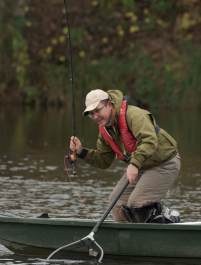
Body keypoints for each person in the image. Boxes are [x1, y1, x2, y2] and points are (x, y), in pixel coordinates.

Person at [70, 89, 181, 222]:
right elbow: (103, 161)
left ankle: (163, 221)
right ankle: (127, 239)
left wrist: (134, 164)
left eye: (97, 110)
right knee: (116, 203)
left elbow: (149, 141)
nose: (95, 117)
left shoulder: (134, 115)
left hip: (164, 163)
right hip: (141, 166)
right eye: (91, 114)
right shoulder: (106, 130)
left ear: (110, 105)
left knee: (137, 203)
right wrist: (81, 152)